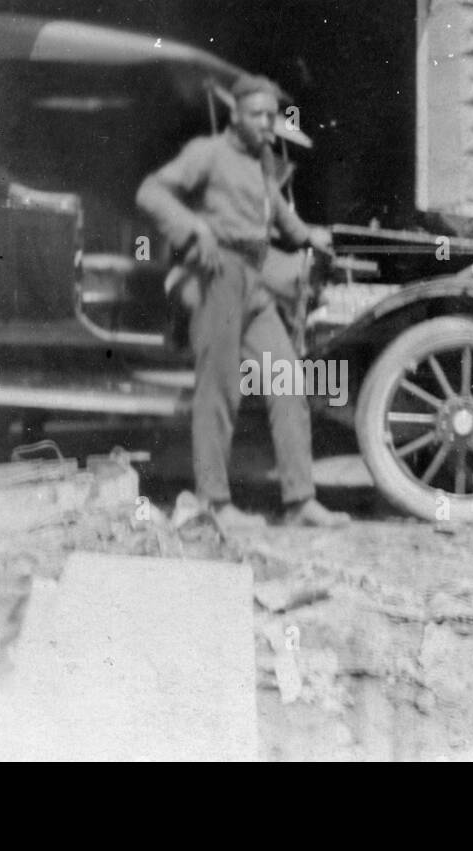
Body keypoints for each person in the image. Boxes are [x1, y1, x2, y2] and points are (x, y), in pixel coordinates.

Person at [136, 74, 349, 529]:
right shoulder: (207, 152)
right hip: (217, 276)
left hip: (255, 279)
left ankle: (300, 501)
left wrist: (306, 235)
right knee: (220, 389)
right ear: (235, 114)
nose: (267, 124)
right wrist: (194, 228)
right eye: (257, 115)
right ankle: (214, 504)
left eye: (272, 116)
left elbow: (274, 205)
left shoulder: (262, 159)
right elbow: (150, 192)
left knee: (289, 381)